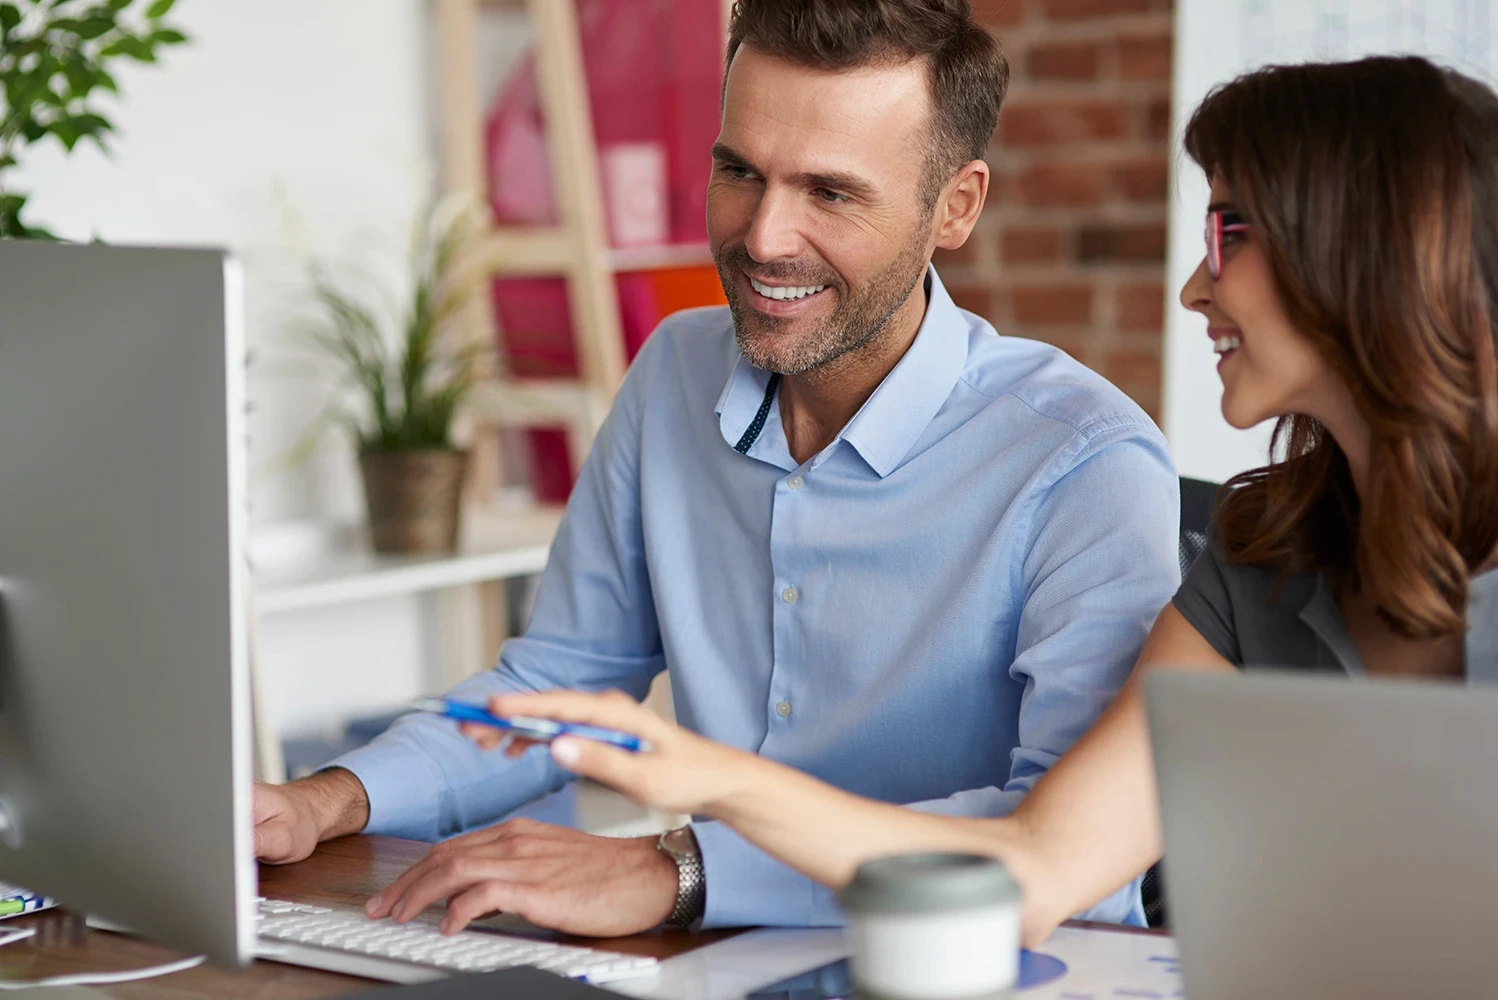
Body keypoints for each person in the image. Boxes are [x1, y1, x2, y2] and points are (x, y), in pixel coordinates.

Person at [459, 53, 1498, 946]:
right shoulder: (1254, 561)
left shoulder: (1091, 458)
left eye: (1233, 234)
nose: (1194, 287)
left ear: (1364, 252)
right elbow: (1036, 871)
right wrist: (711, 786)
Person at [251, 0, 1180, 939]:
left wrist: (681, 871)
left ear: (955, 207)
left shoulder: (1083, 463)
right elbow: (563, 677)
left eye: (830, 192)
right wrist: (333, 799)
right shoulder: (672, 374)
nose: (765, 237)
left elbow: (1072, 863)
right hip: (710, 960)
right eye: (739, 171)